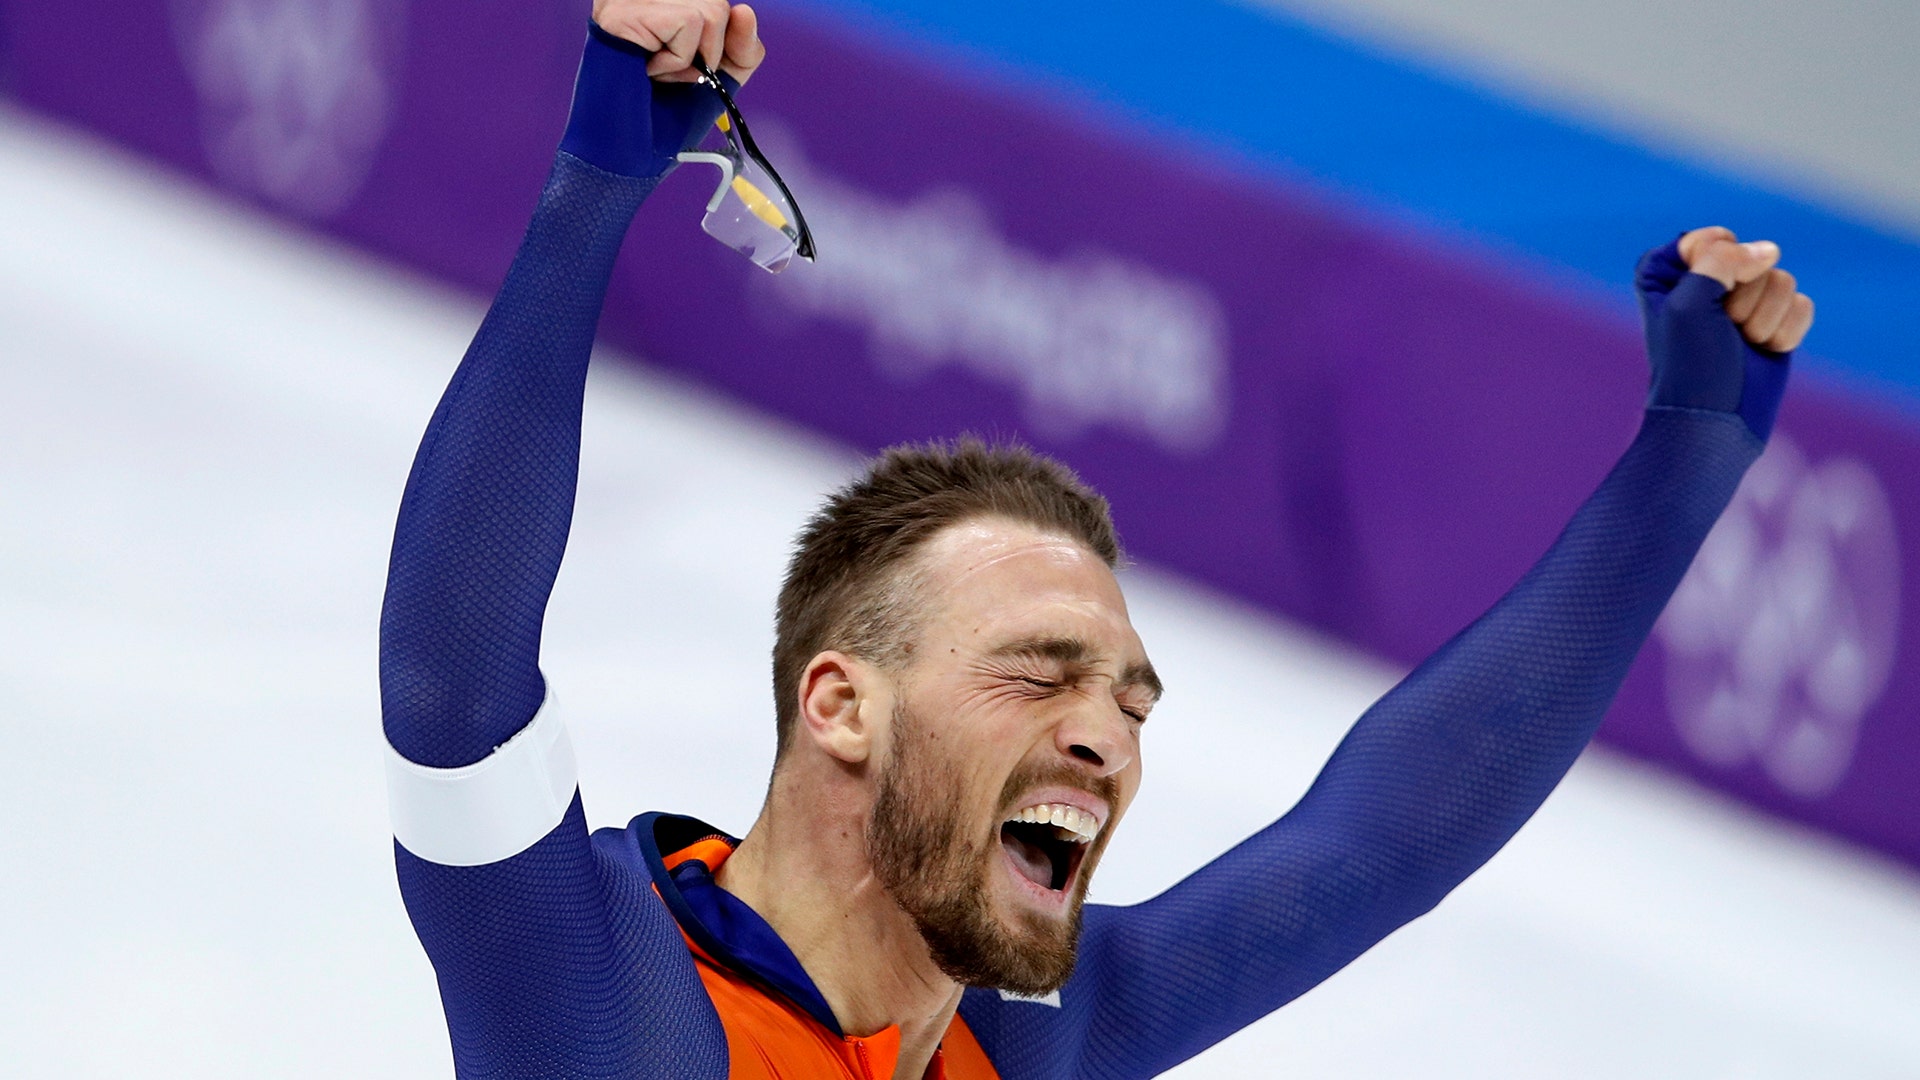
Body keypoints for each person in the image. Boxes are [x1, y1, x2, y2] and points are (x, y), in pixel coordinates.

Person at [377, 2, 1817, 1077]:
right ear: (842, 704)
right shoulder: (603, 997)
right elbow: (453, 689)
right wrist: (596, 185)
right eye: (1037, 674)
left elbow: (1378, 845)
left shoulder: (1036, 1039)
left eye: (1126, 703)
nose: (1106, 743)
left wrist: (1685, 457)